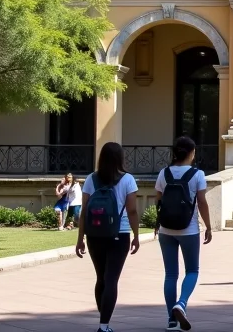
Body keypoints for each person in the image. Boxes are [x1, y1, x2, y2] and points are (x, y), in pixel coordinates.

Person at [75, 142, 140, 332]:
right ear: (120, 158)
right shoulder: (128, 180)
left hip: (94, 234)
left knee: (101, 278)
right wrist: (136, 235)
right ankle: (104, 325)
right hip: (119, 234)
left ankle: (103, 319)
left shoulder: (90, 179)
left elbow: (84, 211)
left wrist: (80, 238)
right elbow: (133, 210)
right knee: (112, 279)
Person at [154, 136, 212, 331]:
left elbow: (158, 200)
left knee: (170, 274)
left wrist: (158, 221)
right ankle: (182, 303)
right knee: (192, 270)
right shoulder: (197, 174)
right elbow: (202, 202)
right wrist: (209, 226)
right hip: (189, 229)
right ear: (191, 153)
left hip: (166, 229)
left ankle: (172, 319)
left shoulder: (164, 173)